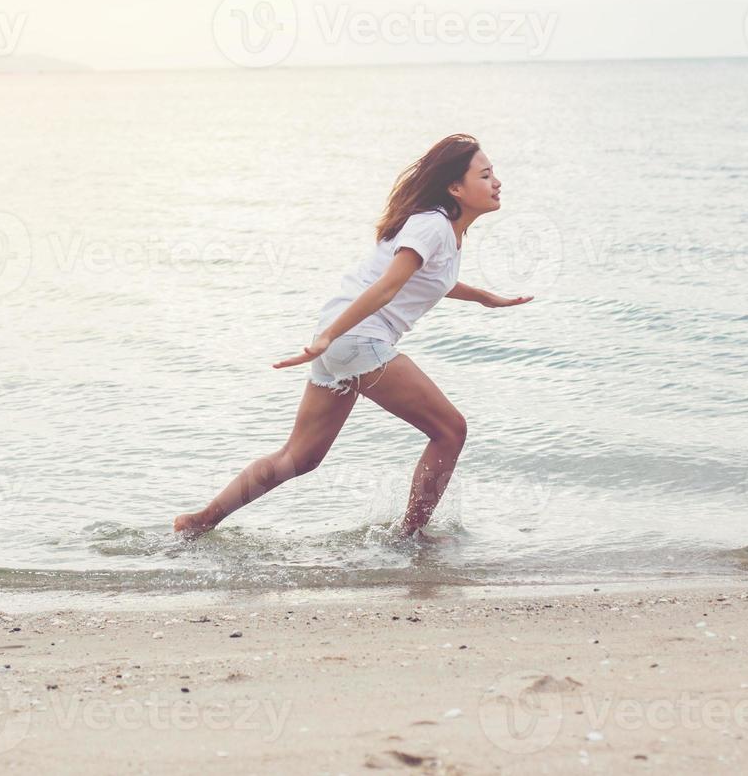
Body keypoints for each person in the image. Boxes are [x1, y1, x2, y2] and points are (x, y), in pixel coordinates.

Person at [173, 134, 532, 540]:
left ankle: (198, 523)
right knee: (451, 430)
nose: (496, 182)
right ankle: (409, 538)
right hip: (356, 338)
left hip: (345, 341)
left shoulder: (445, 230)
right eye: (485, 175)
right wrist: (329, 337)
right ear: (455, 187)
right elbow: (386, 287)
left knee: (300, 457)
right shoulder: (432, 225)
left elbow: (431, 278)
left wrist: (482, 297)